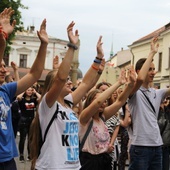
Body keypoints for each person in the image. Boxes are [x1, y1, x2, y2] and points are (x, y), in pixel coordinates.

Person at [30, 22, 105, 170]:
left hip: (73, 166)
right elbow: (61, 78)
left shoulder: (68, 103)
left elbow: (85, 85)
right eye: (68, 80)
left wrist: (98, 58)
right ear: (53, 86)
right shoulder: (48, 105)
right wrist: (72, 46)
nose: (70, 82)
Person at [0, 7, 48, 170]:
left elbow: (34, 74)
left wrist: (43, 45)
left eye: (4, 65)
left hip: (7, 160)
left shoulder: (5, 91)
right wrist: (3, 35)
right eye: (0, 65)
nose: (4, 69)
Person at [79, 67, 136, 170]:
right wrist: (118, 83)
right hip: (89, 163)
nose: (103, 102)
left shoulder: (102, 117)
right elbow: (98, 102)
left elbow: (120, 101)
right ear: (90, 101)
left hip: (104, 160)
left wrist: (130, 85)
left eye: (105, 100)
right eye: (100, 99)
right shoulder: (85, 118)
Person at [127, 37, 170, 170]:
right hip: (140, 146)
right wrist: (152, 53)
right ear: (141, 70)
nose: (153, 72)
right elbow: (139, 79)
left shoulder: (157, 92)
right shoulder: (134, 92)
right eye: (150, 69)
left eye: (154, 69)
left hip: (157, 145)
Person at [17, 87, 41, 162]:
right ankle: (21, 155)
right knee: (23, 139)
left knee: (30, 139)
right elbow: (18, 97)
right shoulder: (22, 100)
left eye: (31, 90)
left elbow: (41, 98)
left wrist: (35, 92)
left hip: (31, 121)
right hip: (23, 121)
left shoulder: (33, 100)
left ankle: (29, 154)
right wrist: (23, 91)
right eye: (28, 90)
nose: (30, 92)